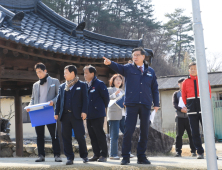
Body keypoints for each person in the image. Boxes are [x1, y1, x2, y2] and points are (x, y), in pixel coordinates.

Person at [103, 47, 159, 165]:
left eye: (137, 55)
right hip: (131, 104)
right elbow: (119, 67)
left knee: (144, 131)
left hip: (145, 104)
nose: (135, 57)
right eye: (133, 55)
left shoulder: (151, 71)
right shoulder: (128, 68)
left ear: (143, 57)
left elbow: (154, 88)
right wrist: (110, 63)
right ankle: (125, 157)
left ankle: (141, 156)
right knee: (128, 130)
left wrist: (156, 103)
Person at [27, 63, 61, 162]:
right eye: (37, 72)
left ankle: (57, 155)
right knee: (39, 135)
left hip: (49, 111)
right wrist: (29, 106)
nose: (39, 74)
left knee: (54, 135)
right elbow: (33, 99)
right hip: (38, 112)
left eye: (40, 72)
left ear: (45, 71)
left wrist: (53, 102)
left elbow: (59, 95)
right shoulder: (35, 85)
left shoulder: (55, 81)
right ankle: (41, 156)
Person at [55, 65, 88, 165]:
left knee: (80, 136)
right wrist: (56, 112)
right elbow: (58, 100)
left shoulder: (82, 85)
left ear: (72, 73)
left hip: (77, 115)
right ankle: (69, 157)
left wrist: (84, 111)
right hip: (65, 116)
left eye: (66, 73)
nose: (64, 75)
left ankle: (84, 155)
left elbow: (85, 100)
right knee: (66, 137)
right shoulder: (62, 86)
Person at [182, 62, 211, 159]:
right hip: (192, 111)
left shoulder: (203, 79)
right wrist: (188, 105)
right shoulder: (185, 82)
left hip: (204, 110)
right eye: (192, 68)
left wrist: (206, 105)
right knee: (195, 132)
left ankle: (211, 152)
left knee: (208, 131)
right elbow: (184, 96)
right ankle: (200, 152)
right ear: (189, 70)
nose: (193, 70)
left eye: (195, 68)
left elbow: (209, 92)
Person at [83, 65, 110, 162]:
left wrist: (100, 108)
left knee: (99, 134)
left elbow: (106, 99)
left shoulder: (99, 84)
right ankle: (96, 154)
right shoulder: (85, 85)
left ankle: (104, 155)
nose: (84, 75)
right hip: (89, 114)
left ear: (92, 73)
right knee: (92, 135)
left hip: (98, 114)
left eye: (86, 73)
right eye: (84, 73)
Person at [173, 77, 196, 157]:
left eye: (184, 83)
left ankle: (193, 151)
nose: (183, 85)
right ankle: (178, 152)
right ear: (179, 84)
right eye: (181, 83)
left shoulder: (190, 92)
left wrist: (188, 109)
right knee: (179, 135)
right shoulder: (176, 93)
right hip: (179, 117)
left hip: (189, 117)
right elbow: (174, 104)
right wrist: (180, 109)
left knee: (191, 134)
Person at [107, 74, 125, 160]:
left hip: (123, 114)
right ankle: (113, 154)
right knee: (114, 135)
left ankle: (127, 152)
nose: (118, 81)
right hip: (114, 115)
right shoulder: (109, 90)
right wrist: (115, 94)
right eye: (116, 79)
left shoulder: (123, 91)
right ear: (113, 81)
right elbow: (107, 99)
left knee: (127, 133)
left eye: (120, 80)